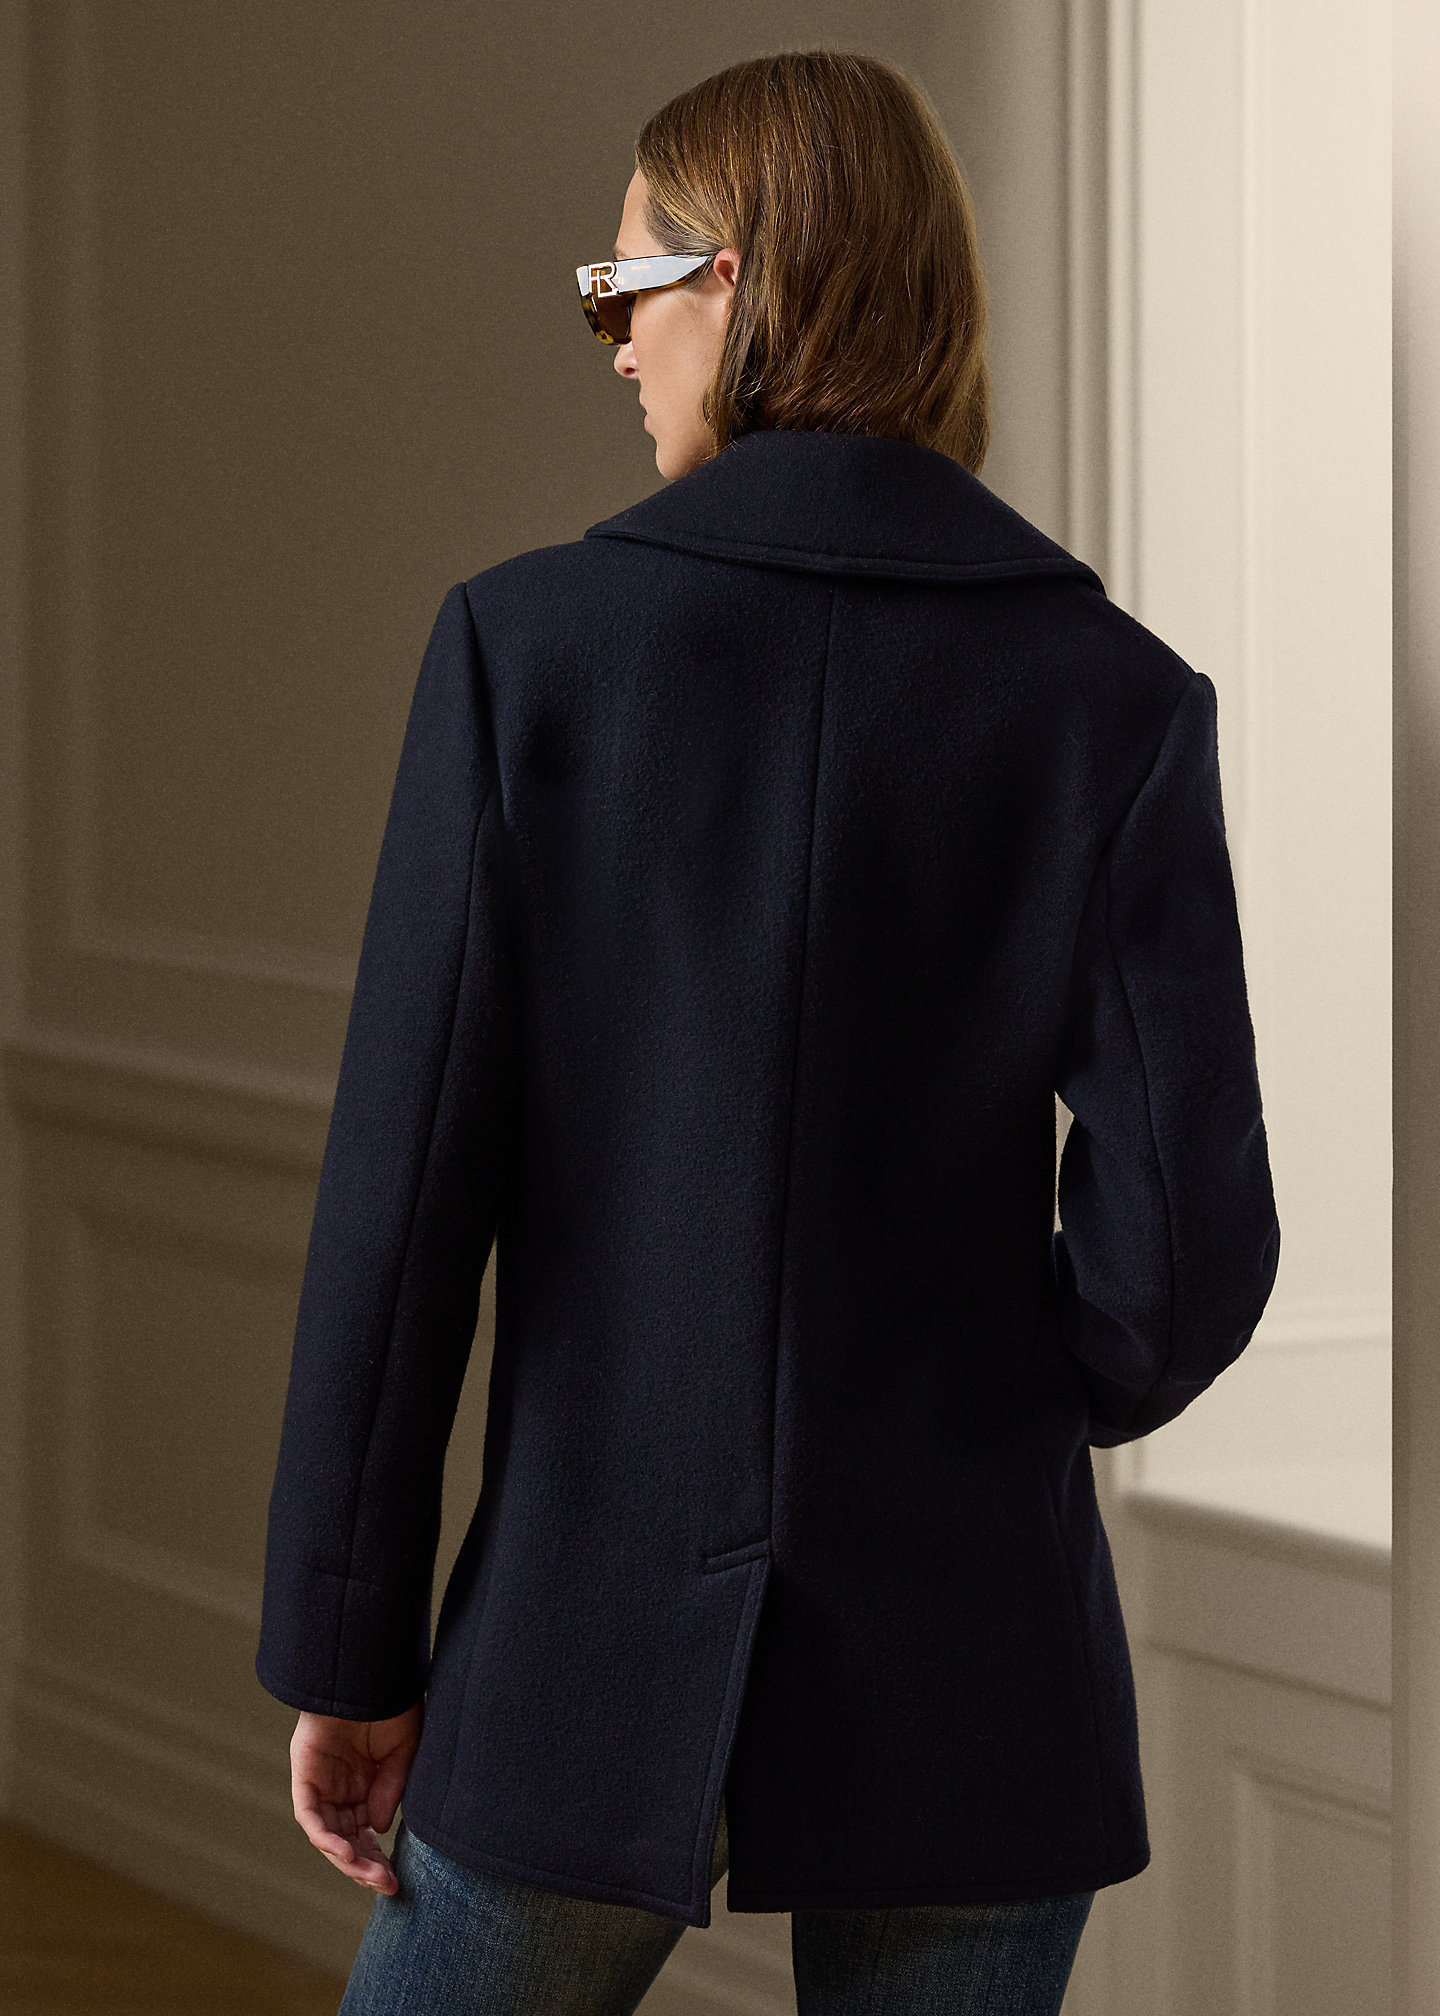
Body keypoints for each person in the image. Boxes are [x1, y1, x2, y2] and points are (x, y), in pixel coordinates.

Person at [254, 47, 1280, 2016]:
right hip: (981, 1662)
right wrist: (990, 1395)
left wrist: (350, 1652)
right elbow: (1187, 1262)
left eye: (623, 291)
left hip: (574, 1651)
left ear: (733, 283)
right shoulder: (1114, 700)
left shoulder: (524, 655)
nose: (616, 347)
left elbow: (402, 1224)